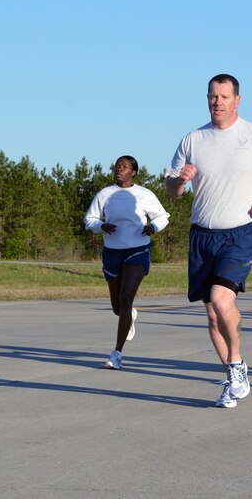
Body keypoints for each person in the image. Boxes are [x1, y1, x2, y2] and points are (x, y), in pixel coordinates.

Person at [165, 74, 252, 408]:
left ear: (237, 100)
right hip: (202, 235)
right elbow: (172, 191)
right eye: (212, 96)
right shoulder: (193, 139)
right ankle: (233, 377)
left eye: (223, 96)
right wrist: (180, 180)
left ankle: (236, 363)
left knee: (221, 302)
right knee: (214, 314)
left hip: (241, 232)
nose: (217, 102)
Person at [84, 155, 170, 370]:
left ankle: (117, 353)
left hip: (138, 250)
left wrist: (153, 227)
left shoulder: (143, 194)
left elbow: (163, 216)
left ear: (133, 172)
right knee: (117, 306)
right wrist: (101, 226)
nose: (119, 169)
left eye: (124, 167)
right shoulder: (105, 194)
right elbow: (89, 220)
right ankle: (129, 315)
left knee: (126, 297)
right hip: (112, 252)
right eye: (117, 166)